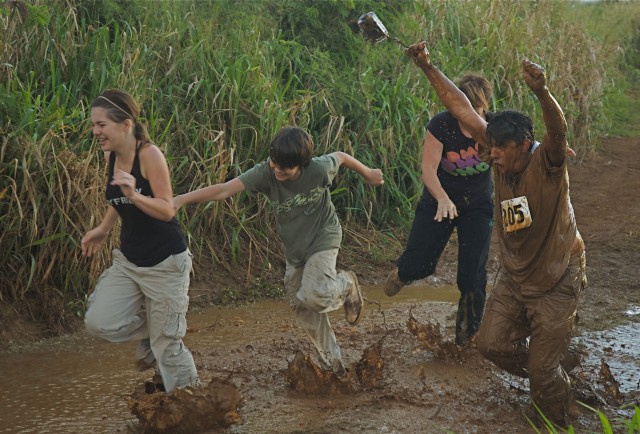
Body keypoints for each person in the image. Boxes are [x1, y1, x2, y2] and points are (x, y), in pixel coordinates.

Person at [405, 42, 587, 426]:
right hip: (516, 276)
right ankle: (554, 369)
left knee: (541, 375)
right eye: (491, 149)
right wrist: (427, 66)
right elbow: (461, 109)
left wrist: (541, 91)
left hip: (557, 275)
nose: (491, 158)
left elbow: (557, 130)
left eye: (500, 151)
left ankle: (554, 409)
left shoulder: (548, 162)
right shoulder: (497, 149)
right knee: (490, 345)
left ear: (523, 145)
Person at [173, 126, 384, 375]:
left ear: (301, 165)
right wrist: (181, 199)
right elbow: (224, 189)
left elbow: (342, 156)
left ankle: (347, 284)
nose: (277, 170)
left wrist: (369, 173)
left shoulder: (318, 169)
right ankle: (334, 364)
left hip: (323, 237)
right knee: (301, 304)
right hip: (295, 249)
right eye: (274, 163)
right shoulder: (266, 172)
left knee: (315, 295)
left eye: (284, 169)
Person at [82, 89, 199, 393]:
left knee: (168, 347)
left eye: (101, 125)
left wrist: (135, 195)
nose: (95, 131)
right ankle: (156, 330)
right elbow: (116, 198)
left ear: (125, 124)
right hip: (130, 262)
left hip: (166, 263)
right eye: (94, 124)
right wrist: (103, 229)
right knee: (98, 322)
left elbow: (166, 208)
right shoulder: (111, 155)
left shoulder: (150, 156)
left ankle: (195, 407)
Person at [383, 74, 494, 347]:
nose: (469, 117)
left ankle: (465, 342)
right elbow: (428, 169)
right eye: (462, 111)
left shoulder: (496, 127)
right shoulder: (441, 125)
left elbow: (526, 149)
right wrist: (443, 198)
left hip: (478, 205)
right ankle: (402, 274)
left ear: (485, 106)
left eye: (476, 111)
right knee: (419, 264)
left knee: (472, 277)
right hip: (439, 200)